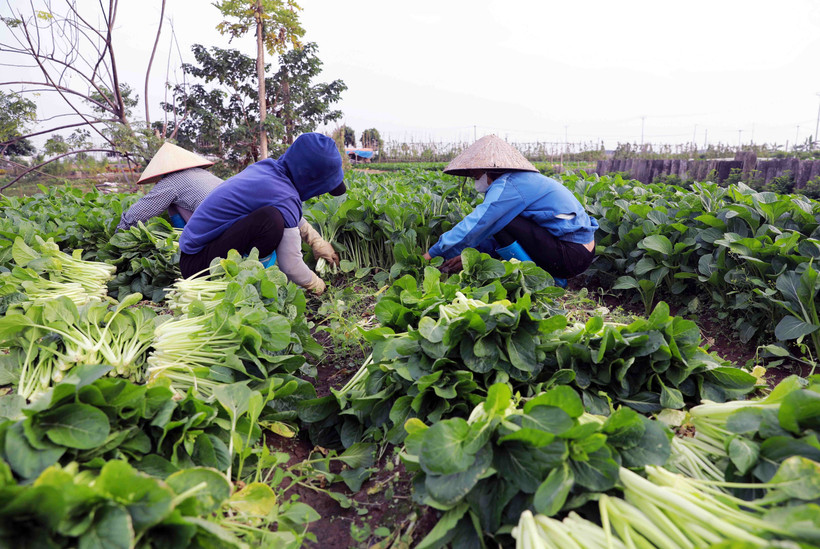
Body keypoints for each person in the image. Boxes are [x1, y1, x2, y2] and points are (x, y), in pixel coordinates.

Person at [178, 132, 344, 295]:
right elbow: (291, 266)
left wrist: (316, 241)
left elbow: (289, 211)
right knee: (271, 221)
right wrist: (317, 284)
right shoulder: (285, 196)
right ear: (311, 178)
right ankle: (246, 284)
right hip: (199, 268)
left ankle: (249, 277)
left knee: (272, 217)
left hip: (194, 254)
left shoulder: (270, 170)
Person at [422, 135, 598, 286]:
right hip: (580, 252)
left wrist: (433, 253)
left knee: (499, 221)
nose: (476, 181)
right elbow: (502, 235)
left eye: (476, 175)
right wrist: (471, 254)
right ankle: (550, 276)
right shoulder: (522, 181)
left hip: (570, 254)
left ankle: (544, 280)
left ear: (489, 170)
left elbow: (478, 222)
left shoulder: (509, 185)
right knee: (502, 221)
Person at [117, 142, 222, 231]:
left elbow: (137, 214)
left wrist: (120, 232)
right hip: (229, 226)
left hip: (217, 230)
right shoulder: (204, 174)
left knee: (171, 203)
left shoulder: (172, 182)